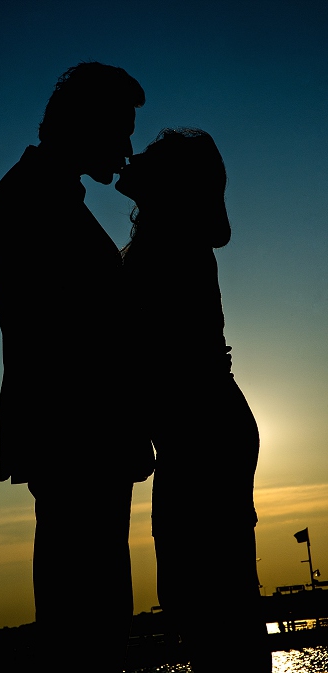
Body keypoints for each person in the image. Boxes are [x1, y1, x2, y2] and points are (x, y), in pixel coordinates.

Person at [0, 61, 153, 671]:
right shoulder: (35, 199)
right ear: (88, 125)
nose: (129, 147)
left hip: (75, 430)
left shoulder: (46, 194)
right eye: (122, 129)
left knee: (89, 595)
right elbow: (74, 328)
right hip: (77, 430)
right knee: (90, 604)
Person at [116, 128, 270, 672]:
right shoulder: (169, 239)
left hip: (201, 430)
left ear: (170, 181)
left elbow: (151, 352)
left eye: (150, 155)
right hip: (204, 428)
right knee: (210, 594)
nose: (133, 155)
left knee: (209, 598)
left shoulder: (171, 243)